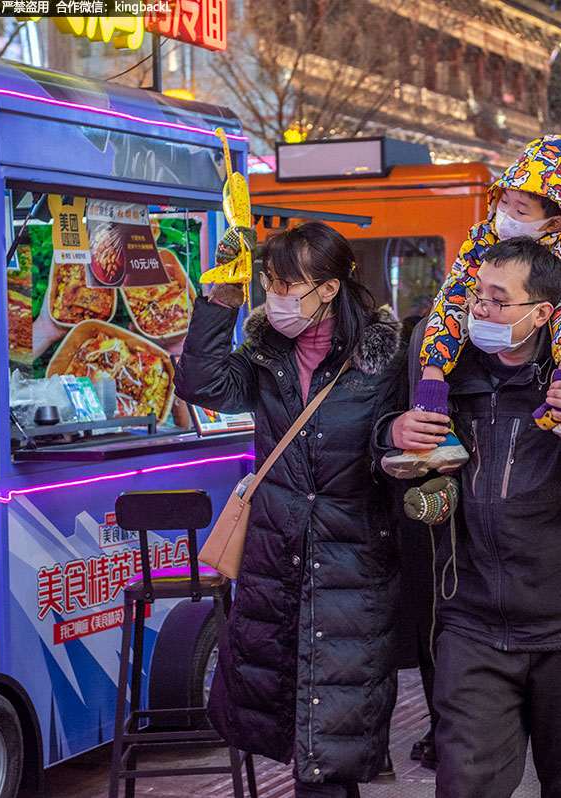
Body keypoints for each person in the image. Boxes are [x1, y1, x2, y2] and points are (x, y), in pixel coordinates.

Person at [378, 237, 561, 798]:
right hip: (472, 621)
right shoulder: (447, 375)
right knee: (465, 784)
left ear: (542, 313)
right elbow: (387, 447)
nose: (480, 308)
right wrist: (392, 432)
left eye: (497, 300)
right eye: (476, 295)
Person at [174, 221, 404, 798]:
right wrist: (220, 299)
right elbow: (200, 385)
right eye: (269, 281)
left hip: (353, 571)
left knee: (333, 748)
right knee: (296, 734)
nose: (275, 295)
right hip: (276, 568)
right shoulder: (265, 354)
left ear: (328, 289)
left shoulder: (383, 361)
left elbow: (397, 447)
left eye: (286, 283)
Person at [381, 134, 561, 477]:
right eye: (504, 203)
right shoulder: (482, 238)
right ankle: (432, 427)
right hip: (476, 357)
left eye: (521, 210)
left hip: (550, 344)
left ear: (556, 221)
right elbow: (456, 292)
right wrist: (436, 356)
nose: (506, 215)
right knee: (440, 316)